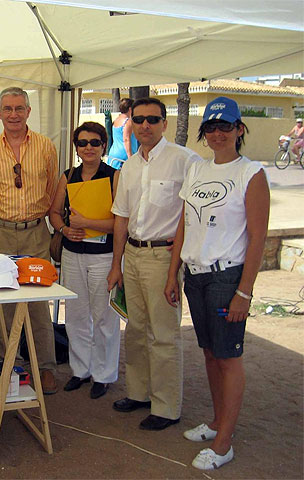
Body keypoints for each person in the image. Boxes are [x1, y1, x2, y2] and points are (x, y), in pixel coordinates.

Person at [164, 97, 269, 470]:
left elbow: (258, 237)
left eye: (226, 126)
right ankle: (216, 422)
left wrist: (244, 291)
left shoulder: (251, 173)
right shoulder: (197, 171)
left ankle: (225, 442)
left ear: (240, 129)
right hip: (195, 275)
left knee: (228, 357)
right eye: (211, 127)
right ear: (204, 133)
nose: (218, 133)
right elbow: (184, 223)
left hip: (228, 277)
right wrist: (173, 271)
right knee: (209, 352)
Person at [107, 97, 201, 430]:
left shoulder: (185, 160)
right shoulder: (129, 165)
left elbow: (191, 215)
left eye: (153, 119)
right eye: (140, 119)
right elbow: (121, 217)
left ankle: (165, 407)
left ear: (164, 123)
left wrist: (175, 269)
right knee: (134, 330)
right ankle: (139, 393)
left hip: (163, 258)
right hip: (131, 255)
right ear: (131, 122)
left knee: (163, 335)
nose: (145, 125)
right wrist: (116, 264)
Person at [0, 86, 59, 394]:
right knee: (3, 304)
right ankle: (9, 363)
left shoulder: (46, 146)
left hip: (37, 233)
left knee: (38, 302)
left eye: (19, 108)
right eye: (7, 109)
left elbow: (51, 188)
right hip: (0, 234)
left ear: (28, 111)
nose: (13, 114)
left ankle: (46, 367)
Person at [48, 122, 120, 398]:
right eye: (82, 142)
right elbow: (54, 212)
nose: (88, 147)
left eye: (94, 142)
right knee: (76, 315)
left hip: (104, 255)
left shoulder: (114, 176)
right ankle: (81, 370)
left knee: (104, 317)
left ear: (103, 145)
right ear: (76, 147)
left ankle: (103, 374)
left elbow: (122, 223)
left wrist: (88, 222)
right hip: (73, 253)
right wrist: (65, 228)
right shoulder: (68, 176)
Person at [107, 98, 138, 170]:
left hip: (114, 154)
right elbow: (126, 139)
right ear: (130, 109)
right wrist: (130, 158)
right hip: (124, 155)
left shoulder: (116, 120)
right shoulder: (128, 122)